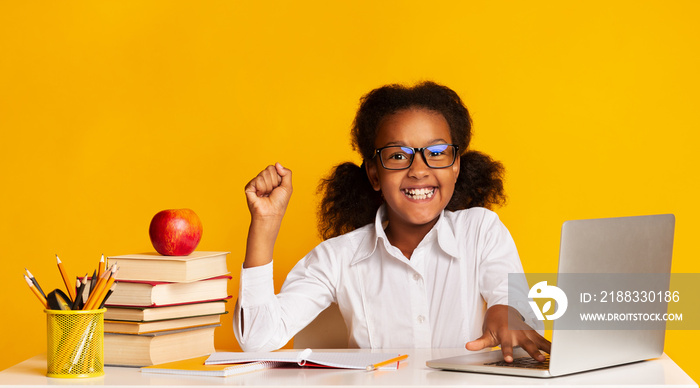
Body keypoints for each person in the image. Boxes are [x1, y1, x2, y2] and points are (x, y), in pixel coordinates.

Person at [234, 81, 550, 362]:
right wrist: (265, 223)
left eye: (437, 152)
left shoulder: (480, 229)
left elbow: (518, 307)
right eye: (398, 156)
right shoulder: (338, 257)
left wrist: (506, 312)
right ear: (374, 173)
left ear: (455, 166)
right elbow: (257, 339)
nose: (419, 169)